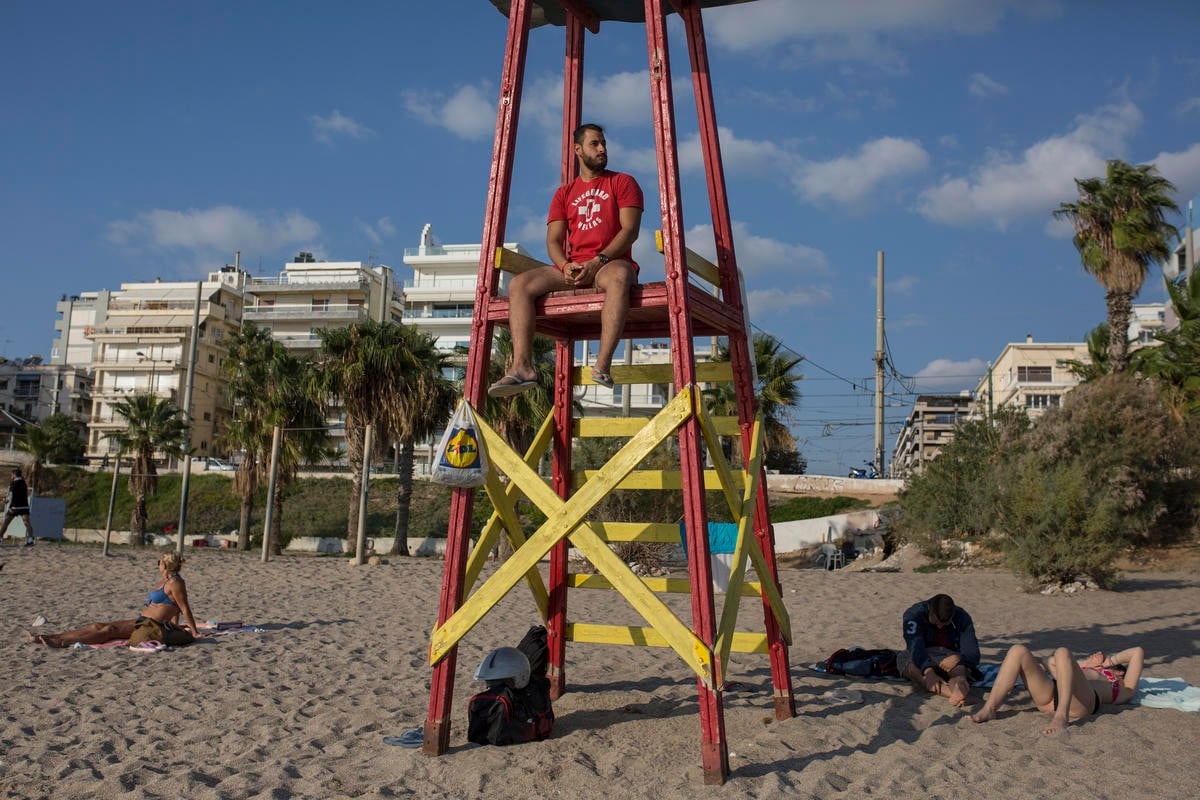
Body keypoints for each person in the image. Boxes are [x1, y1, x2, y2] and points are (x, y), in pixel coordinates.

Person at [489, 123, 643, 397]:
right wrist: (564, 266)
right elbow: (553, 241)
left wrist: (598, 260)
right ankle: (522, 367)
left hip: (610, 263)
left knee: (618, 277)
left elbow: (629, 231)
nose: (602, 149)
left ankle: (603, 364)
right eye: (595, 143)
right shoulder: (564, 193)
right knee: (520, 285)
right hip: (574, 266)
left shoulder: (622, 182)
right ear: (578, 149)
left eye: (603, 143)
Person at [29, 553, 206, 648]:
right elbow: (174, 609)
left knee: (109, 630)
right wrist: (175, 625)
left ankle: (61, 642)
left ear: (165, 565)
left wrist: (194, 631)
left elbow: (183, 608)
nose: (157, 564)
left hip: (151, 625)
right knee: (97, 625)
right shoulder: (166, 581)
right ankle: (53, 636)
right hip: (142, 620)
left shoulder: (176, 582)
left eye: (159, 562)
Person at [970, 644, 1144, 735]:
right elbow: (1049, 663)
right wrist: (1085, 664)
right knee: (1018, 650)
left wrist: (1107, 662)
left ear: (1120, 672)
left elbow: (1137, 652)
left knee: (1062, 651)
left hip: (1081, 704)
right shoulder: (1082, 669)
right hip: (1052, 696)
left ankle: (1061, 717)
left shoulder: (1121, 687)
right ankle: (990, 708)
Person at [899, 593, 981, 707]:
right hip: (923, 654)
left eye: (945, 624)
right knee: (906, 662)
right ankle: (953, 694)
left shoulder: (962, 617)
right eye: (936, 622)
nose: (940, 627)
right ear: (930, 611)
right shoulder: (914, 615)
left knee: (959, 667)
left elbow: (973, 654)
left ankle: (959, 688)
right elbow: (915, 646)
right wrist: (928, 671)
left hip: (947, 655)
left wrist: (959, 658)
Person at [1, 466, 33, 546]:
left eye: (12, 475)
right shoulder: (23, 482)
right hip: (24, 506)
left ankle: (0, 538)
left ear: (14, 475)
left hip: (15, 507)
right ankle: (30, 540)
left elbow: (12, 496)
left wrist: (7, 502)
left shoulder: (14, 483)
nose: (11, 476)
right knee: (27, 523)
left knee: (6, 523)